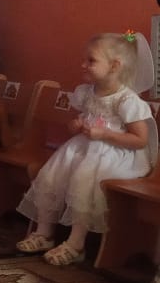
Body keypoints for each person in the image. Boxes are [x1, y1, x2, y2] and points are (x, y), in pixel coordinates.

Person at [16, 31, 157, 266]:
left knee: (83, 181)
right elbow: (79, 119)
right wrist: (75, 125)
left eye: (91, 60)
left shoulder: (127, 100)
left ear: (114, 66)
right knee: (51, 175)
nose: (83, 64)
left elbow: (140, 140)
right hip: (83, 149)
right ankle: (44, 233)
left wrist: (105, 134)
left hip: (115, 155)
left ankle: (76, 243)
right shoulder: (86, 92)